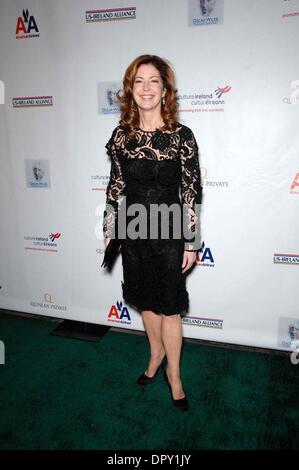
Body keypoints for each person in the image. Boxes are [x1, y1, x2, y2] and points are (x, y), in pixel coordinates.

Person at [103, 54, 203, 411]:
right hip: (132, 231)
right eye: (139, 81)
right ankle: (155, 356)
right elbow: (115, 187)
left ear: (164, 90)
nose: (146, 88)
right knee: (145, 301)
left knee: (170, 308)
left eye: (153, 81)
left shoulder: (181, 137)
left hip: (168, 233)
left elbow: (190, 194)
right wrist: (109, 227)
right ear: (131, 89)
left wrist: (191, 242)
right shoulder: (121, 137)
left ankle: (174, 376)